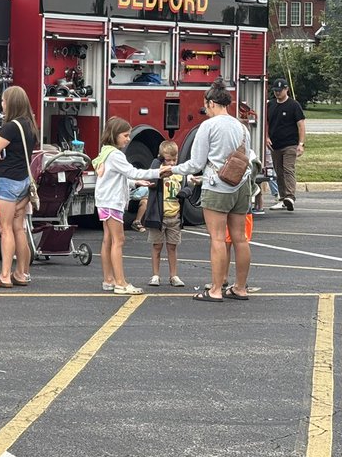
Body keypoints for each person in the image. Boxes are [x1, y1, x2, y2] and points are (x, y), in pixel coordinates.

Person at [159, 78, 253, 303]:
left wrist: (172, 170)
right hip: (241, 185)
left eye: (206, 106)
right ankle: (240, 288)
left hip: (217, 186)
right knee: (240, 239)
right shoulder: (242, 127)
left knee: (217, 238)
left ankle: (216, 289)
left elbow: (196, 163)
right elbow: (246, 157)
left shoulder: (208, 126)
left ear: (211, 103)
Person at [92, 117, 156, 295]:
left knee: (108, 239)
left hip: (104, 201)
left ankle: (109, 279)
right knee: (118, 240)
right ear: (115, 135)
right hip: (113, 202)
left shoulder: (105, 152)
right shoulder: (116, 155)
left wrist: (135, 183)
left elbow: (114, 177)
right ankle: (120, 282)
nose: (128, 139)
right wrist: (158, 172)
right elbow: (131, 171)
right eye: (125, 135)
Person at [0, 85, 38, 288]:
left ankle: (5, 275)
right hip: (23, 180)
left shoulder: (10, 127)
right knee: (19, 229)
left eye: (4, 100)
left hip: (7, 181)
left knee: (5, 228)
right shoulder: (30, 125)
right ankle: (22, 273)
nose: (2, 104)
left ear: (10, 103)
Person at [145, 140, 185, 288]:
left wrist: (186, 191)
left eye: (175, 159)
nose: (172, 163)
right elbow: (152, 183)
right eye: (168, 160)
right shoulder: (157, 171)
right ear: (161, 158)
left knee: (172, 247)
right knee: (157, 246)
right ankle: (155, 275)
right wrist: (158, 162)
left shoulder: (179, 173)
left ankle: (173, 275)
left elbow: (186, 187)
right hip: (158, 216)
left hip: (174, 216)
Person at [266, 78, 305, 211]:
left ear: (286, 89)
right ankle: (283, 199)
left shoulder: (294, 105)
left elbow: (301, 125)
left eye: (280, 90)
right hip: (274, 145)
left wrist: (301, 144)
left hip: (290, 144)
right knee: (279, 172)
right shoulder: (270, 105)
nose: (277, 93)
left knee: (288, 169)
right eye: (276, 90)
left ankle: (290, 196)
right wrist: (266, 137)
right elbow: (266, 123)